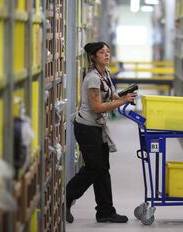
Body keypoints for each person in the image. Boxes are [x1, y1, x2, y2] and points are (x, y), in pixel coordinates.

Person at [66, 42, 136, 223]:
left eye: (108, 51)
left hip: (98, 128)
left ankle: (105, 211)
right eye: (101, 52)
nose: (106, 54)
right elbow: (97, 107)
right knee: (94, 167)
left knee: (103, 168)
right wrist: (122, 102)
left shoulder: (105, 74)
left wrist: (124, 96)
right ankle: (65, 197)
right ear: (93, 56)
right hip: (86, 128)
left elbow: (112, 95)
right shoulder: (92, 78)